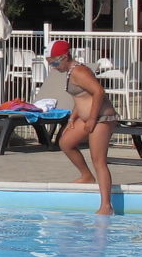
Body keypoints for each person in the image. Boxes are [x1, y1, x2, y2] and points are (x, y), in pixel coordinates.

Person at [46, 42, 116, 215]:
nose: (54, 68)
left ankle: (106, 206)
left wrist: (92, 118)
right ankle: (87, 176)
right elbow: (82, 96)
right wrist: (74, 116)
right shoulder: (71, 71)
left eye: (55, 63)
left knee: (98, 161)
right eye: (50, 64)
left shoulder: (79, 71)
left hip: (101, 118)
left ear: (65, 57)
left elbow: (98, 92)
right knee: (66, 143)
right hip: (87, 118)